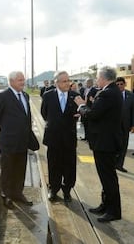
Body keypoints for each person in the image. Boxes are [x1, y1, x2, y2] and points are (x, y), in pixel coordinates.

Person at [74, 66, 123, 222]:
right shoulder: (112, 92)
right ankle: (106, 204)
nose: (96, 80)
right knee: (105, 176)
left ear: (103, 78)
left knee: (108, 177)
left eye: (97, 78)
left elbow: (94, 114)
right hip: (106, 141)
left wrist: (81, 105)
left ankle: (113, 211)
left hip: (105, 142)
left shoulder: (107, 94)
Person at [0, 71, 33, 209]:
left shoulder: (25, 95)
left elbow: (27, 117)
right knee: (8, 169)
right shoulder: (3, 97)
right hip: (8, 141)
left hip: (23, 140)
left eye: (23, 79)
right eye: (20, 80)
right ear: (12, 81)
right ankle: (6, 195)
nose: (23, 82)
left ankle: (18, 193)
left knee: (20, 168)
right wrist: (4, 129)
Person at [41, 71, 79, 203]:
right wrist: (55, 123)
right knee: (54, 164)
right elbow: (44, 113)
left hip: (69, 137)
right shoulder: (48, 96)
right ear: (56, 83)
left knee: (69, 165)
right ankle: (54, 189)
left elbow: (78, 114)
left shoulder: (75, 96)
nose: (68, 83)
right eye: (64, 81)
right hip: (53, 137)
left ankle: (67, 190)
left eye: (68, 80)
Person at [115, 77, 134, 172]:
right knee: (115, 145)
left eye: (121, 84)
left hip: (126, 125)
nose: (119, 86)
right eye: (117, 84)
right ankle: (113, 163)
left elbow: (133, 111)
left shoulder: (130, 95)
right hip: (114, 125)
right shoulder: (112, 95)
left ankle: (119, 164)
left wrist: (133, 125)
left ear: (125, 84)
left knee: (124, 145)